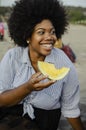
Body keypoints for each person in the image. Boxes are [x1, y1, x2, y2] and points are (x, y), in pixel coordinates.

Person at [0, 0, 84, 130]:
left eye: (52, 31)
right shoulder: (12, 57)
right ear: (28, 35)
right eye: (41, 32)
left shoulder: (64, 63)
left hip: (44, 122)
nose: (49, 37)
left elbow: (70, 108)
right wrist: (28, 87)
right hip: (8, 118)